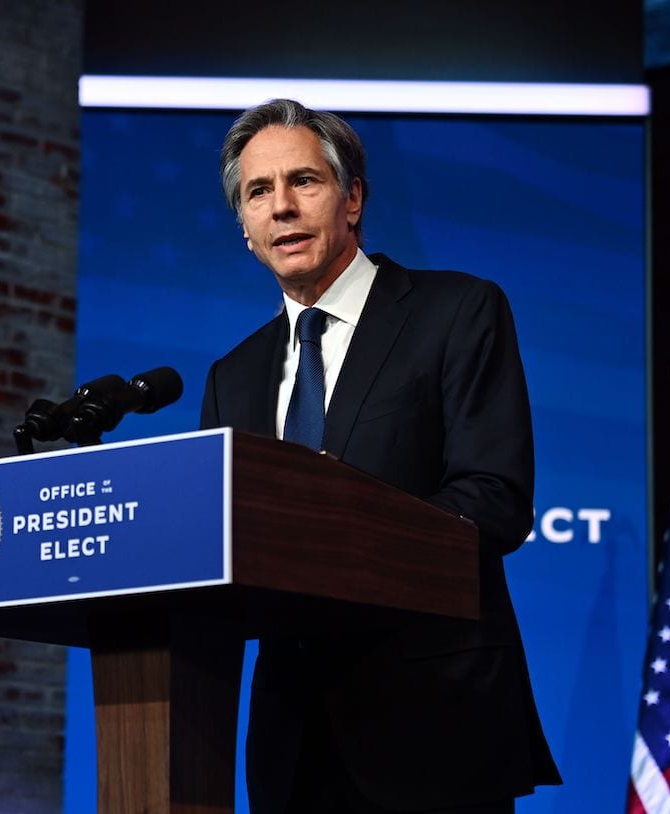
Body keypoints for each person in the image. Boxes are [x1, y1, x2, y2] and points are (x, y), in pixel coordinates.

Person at [200, 100, 561, 813]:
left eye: (303, 181)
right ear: (244, 229)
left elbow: (495, 500)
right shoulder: (231, 375)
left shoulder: (456, 312)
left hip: (434, 721)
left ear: (353, 197)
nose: (281, 208)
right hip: (293, 742)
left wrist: (334, 541)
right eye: (258, 192)